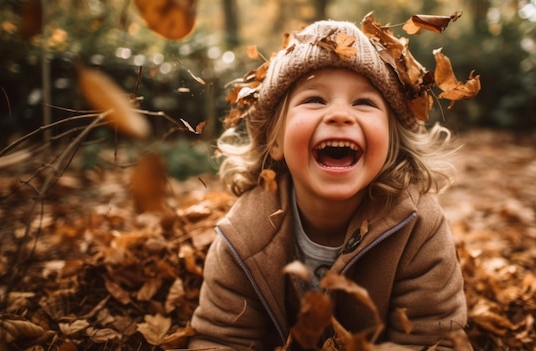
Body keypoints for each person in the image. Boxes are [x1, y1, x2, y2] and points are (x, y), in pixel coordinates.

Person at [188, 15, 477, 351]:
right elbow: (219, 339)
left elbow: (437, 340)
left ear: (391, 142)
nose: (340, 114)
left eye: (364, 102)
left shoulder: (417, 225)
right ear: (276, 141)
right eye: (314, 99)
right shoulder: (244, 235)